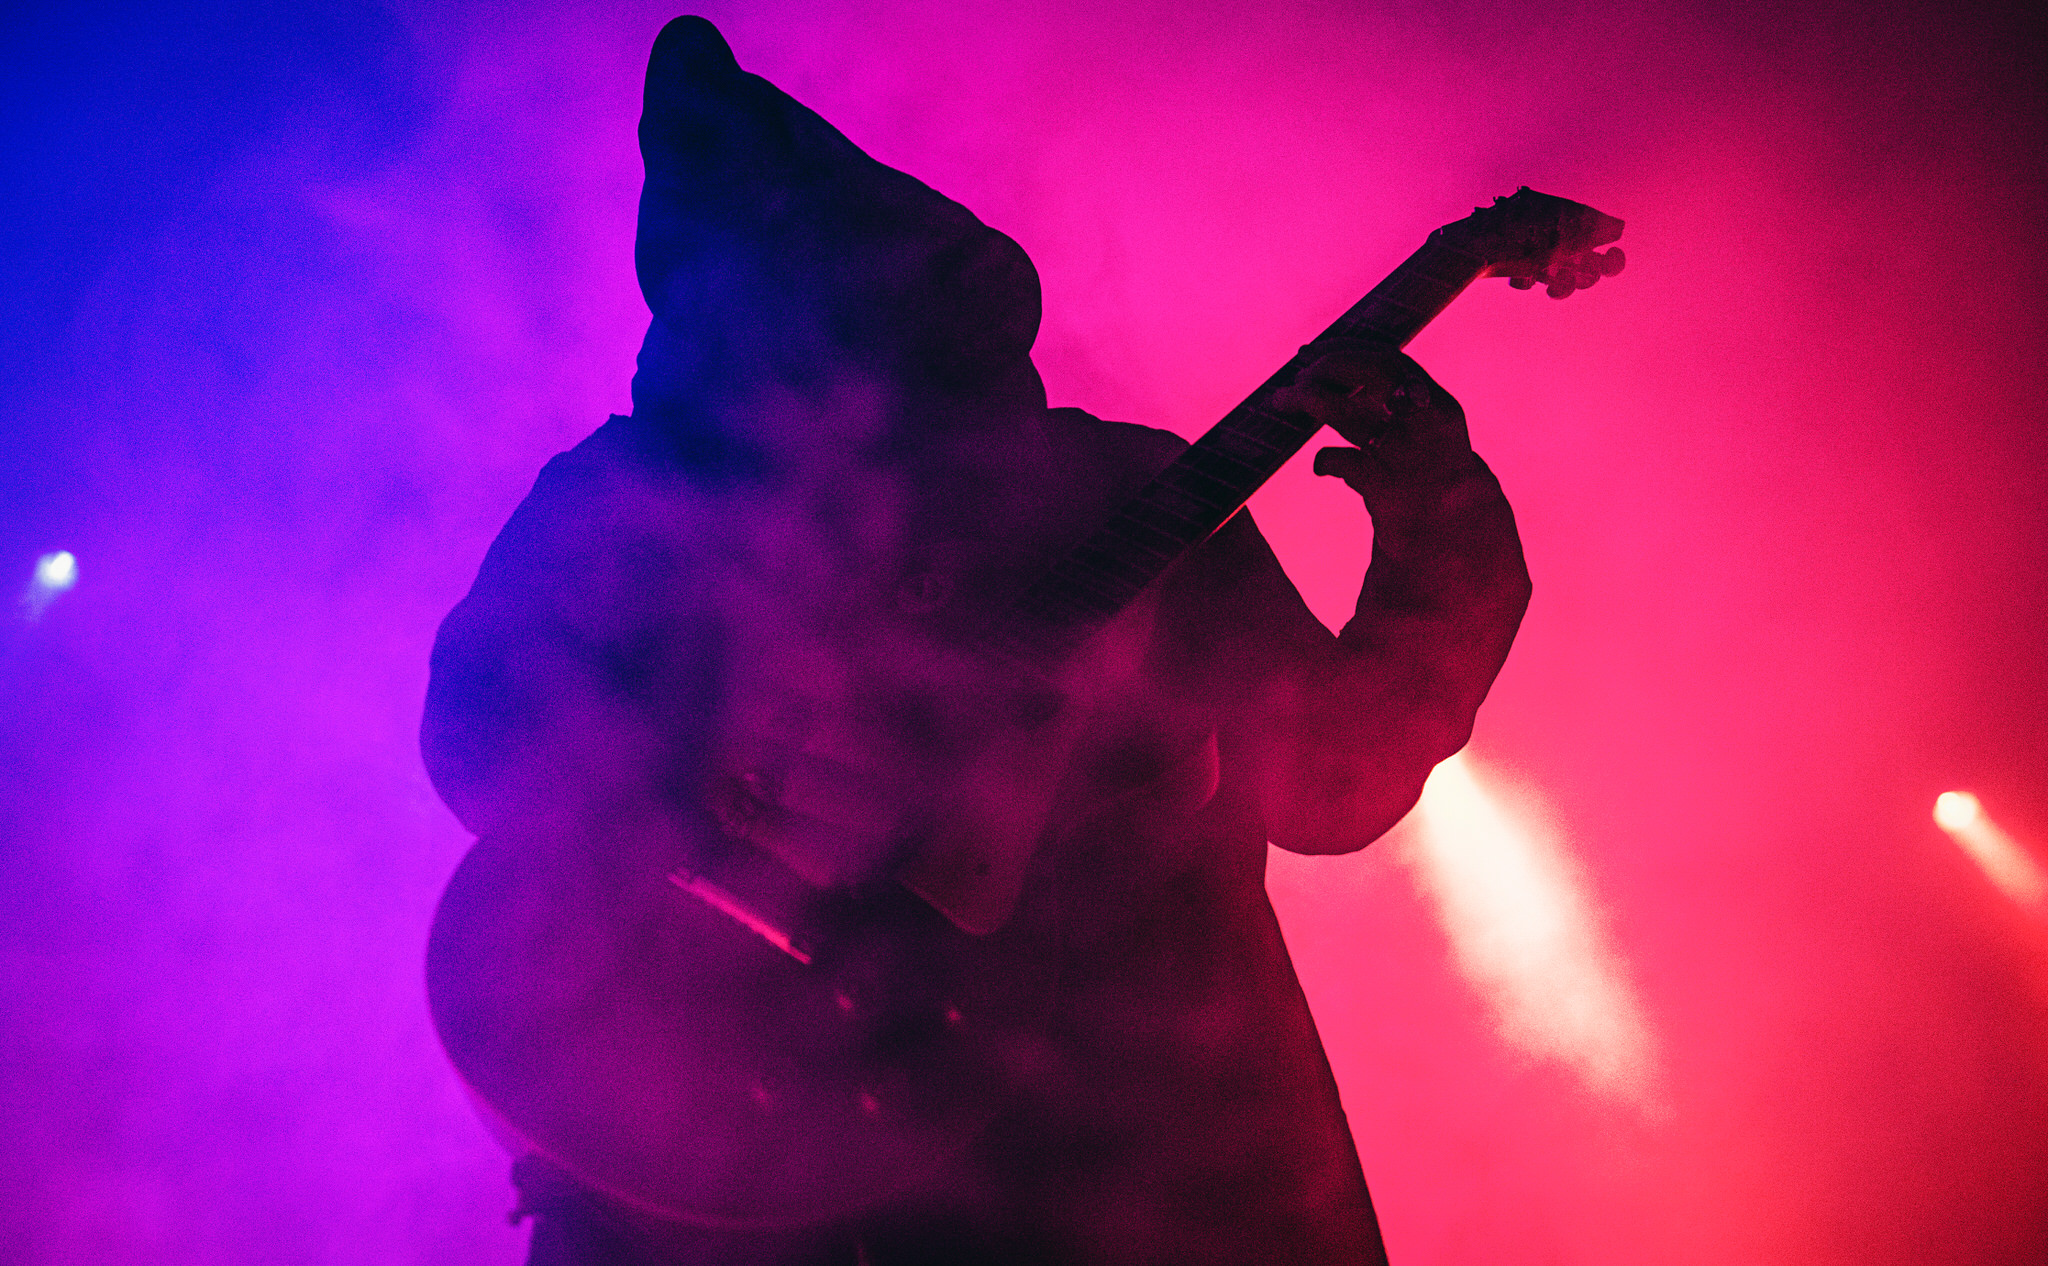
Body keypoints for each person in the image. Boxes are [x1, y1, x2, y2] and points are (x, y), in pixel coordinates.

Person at [421, 16, 1530, 1265]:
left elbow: (1331, 780)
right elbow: (477, 738)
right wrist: (722, 793)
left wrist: (1436, 511)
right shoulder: (629, 506)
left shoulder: (1101, 489)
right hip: (731, 1166)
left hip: (1149, 1173)